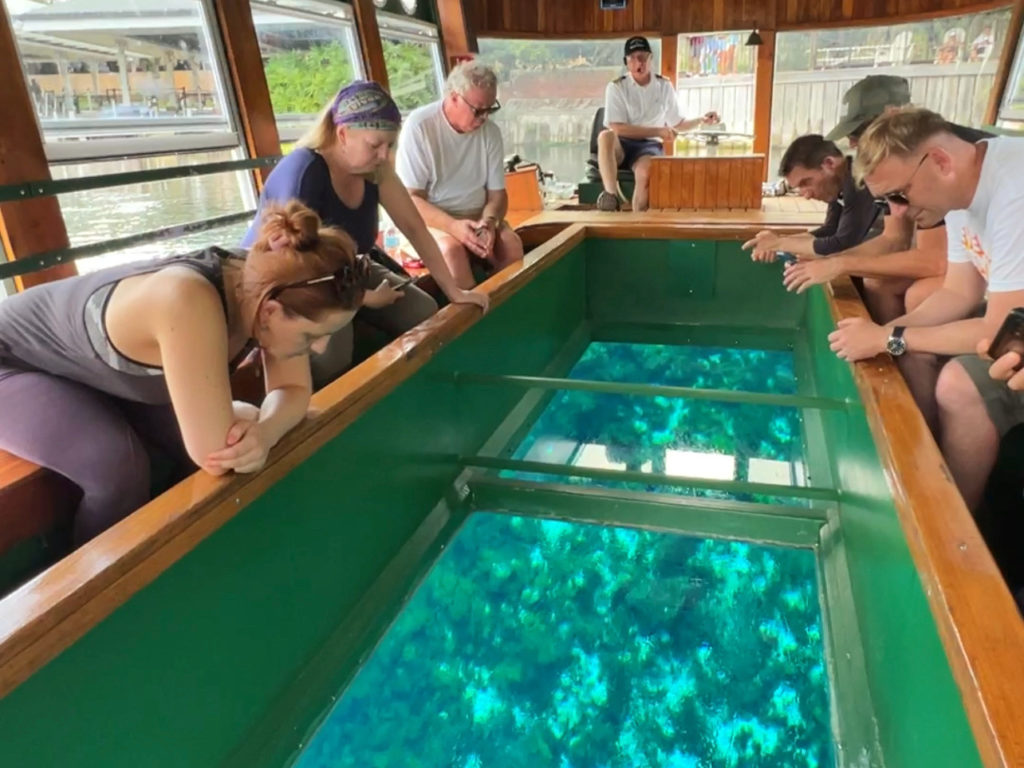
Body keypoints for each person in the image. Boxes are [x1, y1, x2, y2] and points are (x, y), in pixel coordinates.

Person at [0, 201, 369, 544]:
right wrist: (253, 428)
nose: (319, 347)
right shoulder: (188, 300)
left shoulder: (271, 280)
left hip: (91, 366)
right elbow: (212, 448)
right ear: (270, 311)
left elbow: (291, 388)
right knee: (116, 466)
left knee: (242, 432)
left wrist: (266, 431)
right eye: (312, 335)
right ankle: (92, 598)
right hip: (11, 359)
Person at [828, 107, 1024, 512]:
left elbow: (1000, 332)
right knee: (909, 344)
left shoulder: (1014, 189)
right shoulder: (959, 196)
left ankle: (952, 525)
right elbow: (957, 292)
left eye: (900, 195)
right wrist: (882, 333)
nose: (897, 211)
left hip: (1013, 330)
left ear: (939, 162)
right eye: (887, 201)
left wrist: (889, 337)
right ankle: (924, 460)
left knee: (958, 382)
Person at [244, 81, 488, 389]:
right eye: (375, 145)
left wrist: (453, 290)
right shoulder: (305, 170)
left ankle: (413, 388)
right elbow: (296, 267)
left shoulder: (376, 170)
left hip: (347, 269)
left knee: (423, 311)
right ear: (342, 134)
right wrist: (365, 298)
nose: (384, 156)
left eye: (390, 146)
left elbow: (414, 227)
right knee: (335, 351)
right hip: (289, 283)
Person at [395, 60, 524, 290]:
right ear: (454, 97)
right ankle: (474, 316)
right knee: (452, 251)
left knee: (511, 245)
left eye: (490, 109)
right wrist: (453, 227)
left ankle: (507, 308)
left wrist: (490, 222)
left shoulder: (490, 133)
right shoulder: (420, 127)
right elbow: (411, 200)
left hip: (478, 217)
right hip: (430, 221)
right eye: (478, 110)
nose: (484, 118)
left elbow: (497, 195)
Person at [595, 36, 719, 212]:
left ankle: (638, 220)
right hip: (621, 145)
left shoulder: (664, 85)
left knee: (645, 172)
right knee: (605, 135)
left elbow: (678, 123)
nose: (639, 62)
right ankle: (611, 198)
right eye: (634, 58)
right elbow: (617, 128)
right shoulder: (616, 87)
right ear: (627, 62)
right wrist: (659, 130)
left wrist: (701, 120)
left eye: (643, 57)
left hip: (649, 147)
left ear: (651, 59)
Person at [742, 134, 882, 261]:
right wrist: (779, 242)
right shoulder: (839, 181)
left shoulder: (858, 180)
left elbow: (842, 244)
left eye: (806, 182)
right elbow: (830, 229)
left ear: (829, 164)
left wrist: (780, 244)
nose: (807, 195)